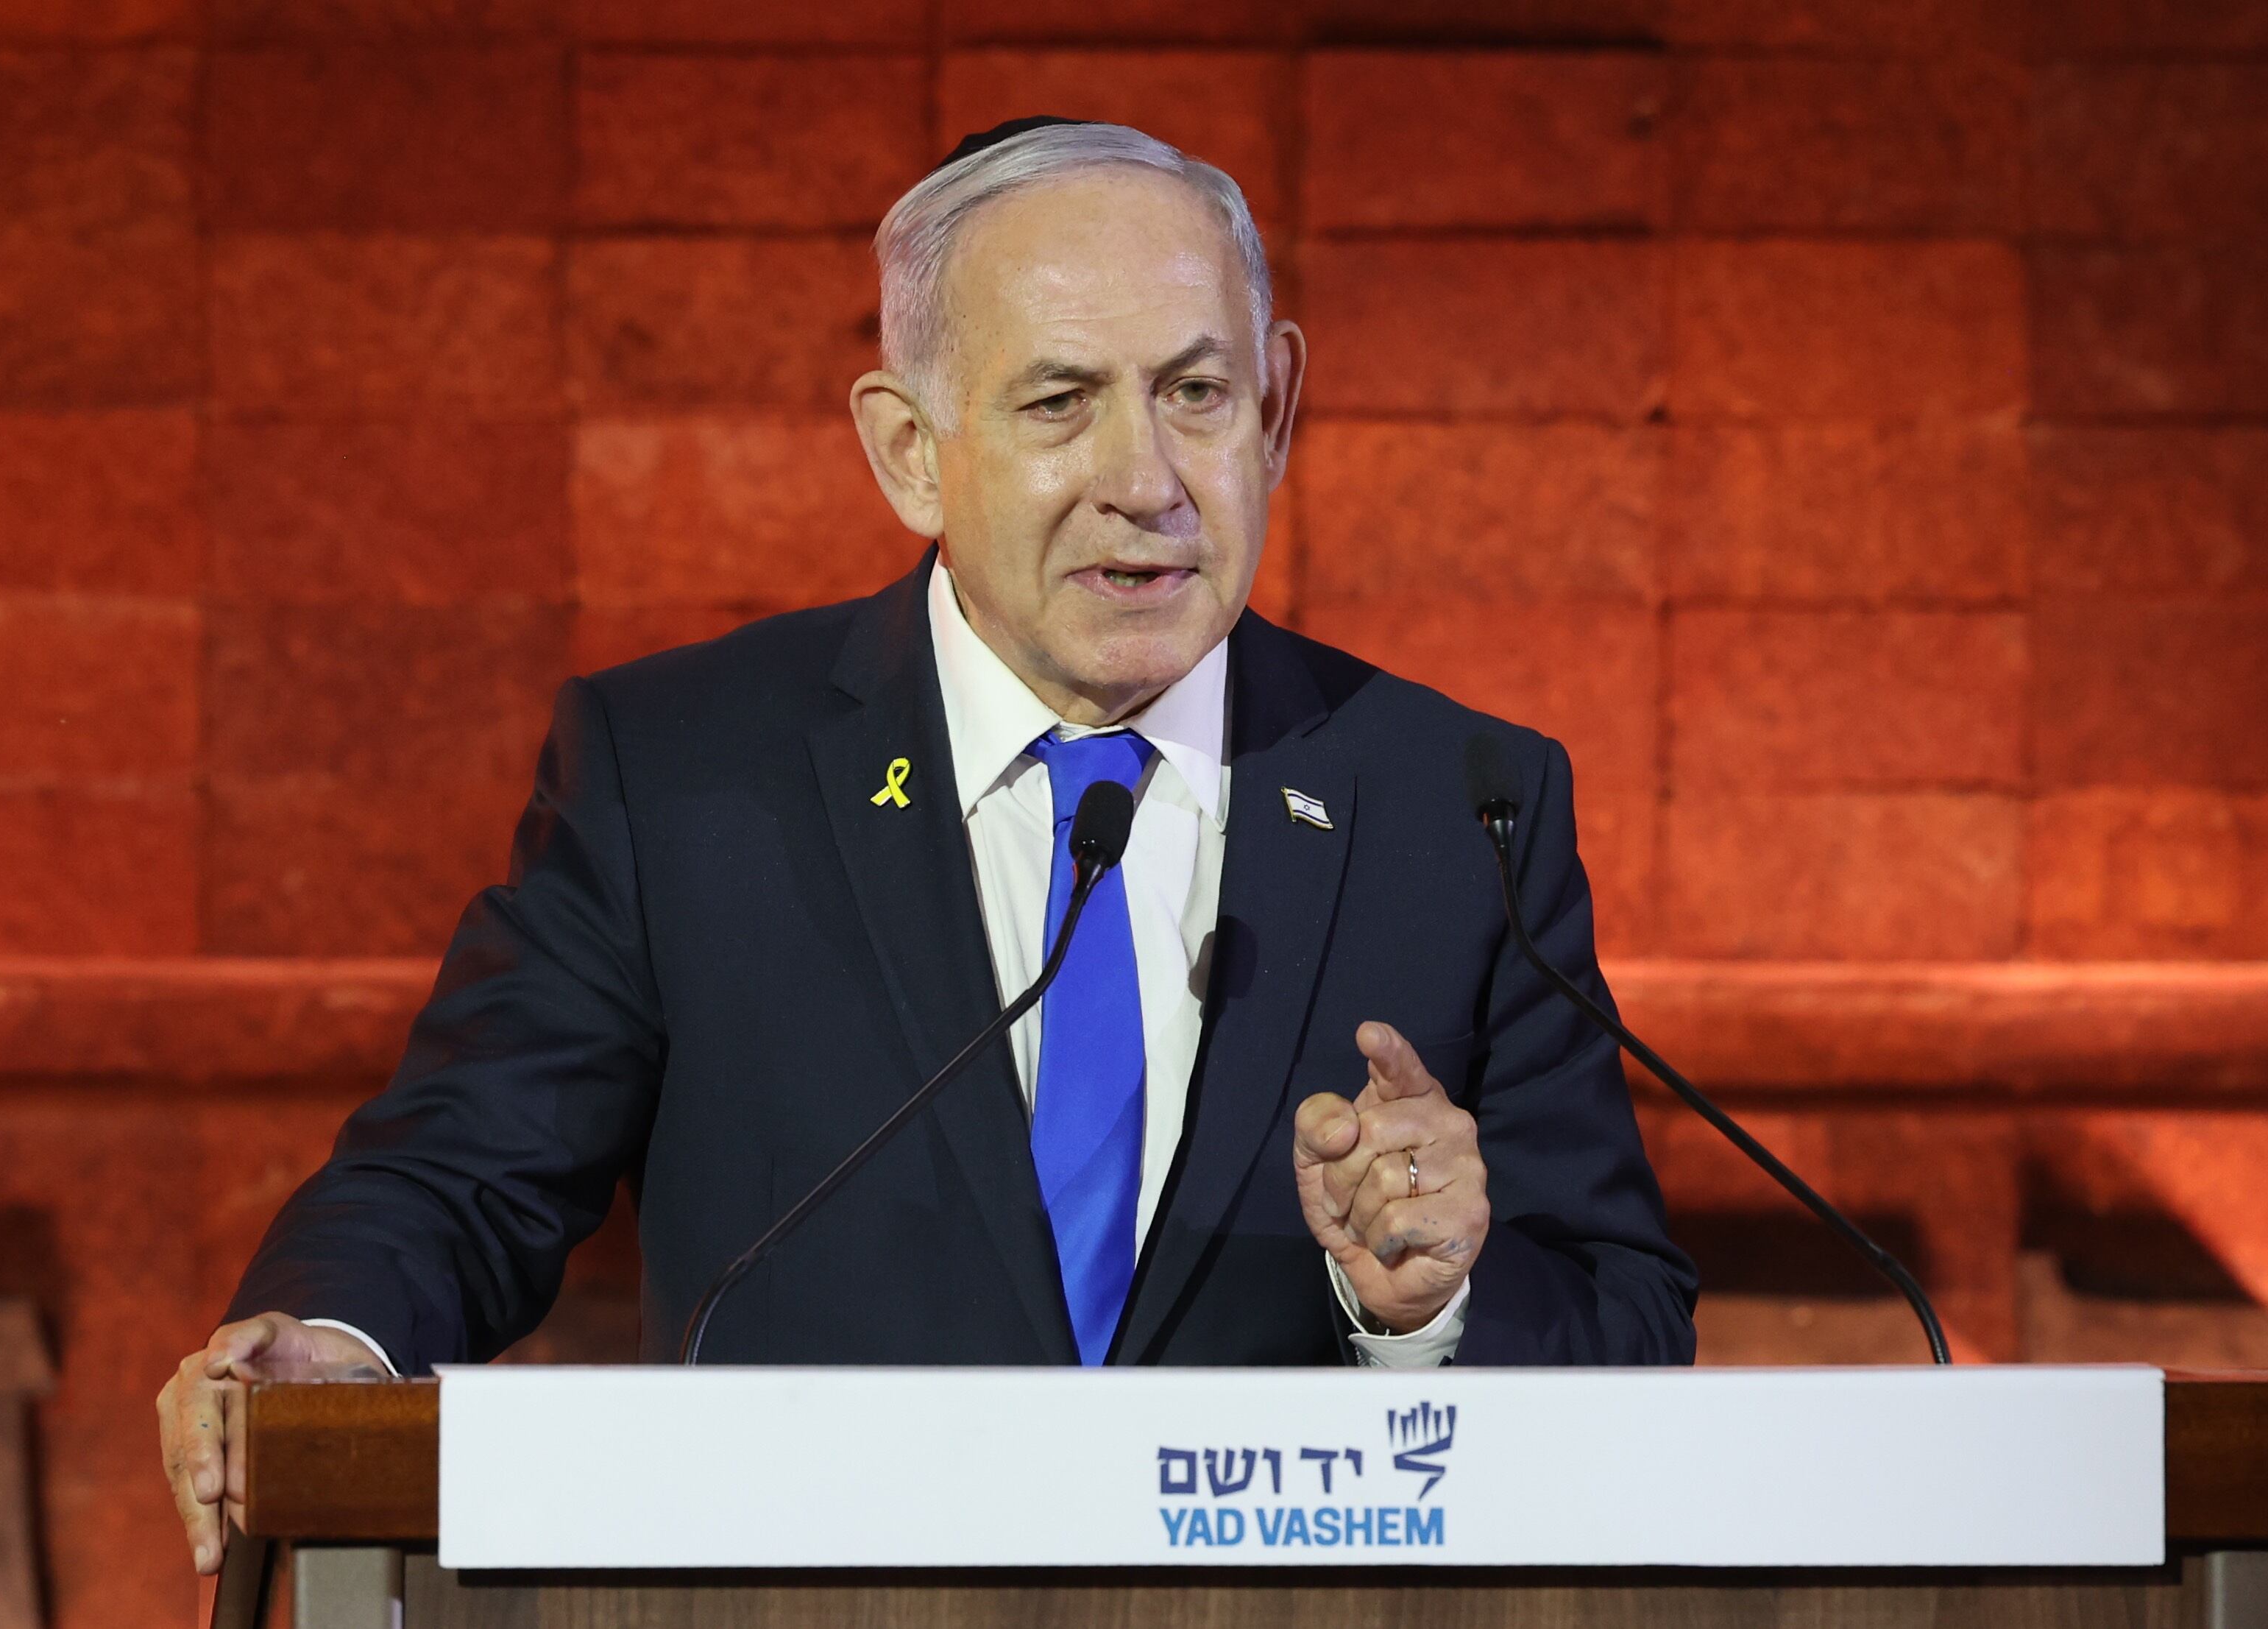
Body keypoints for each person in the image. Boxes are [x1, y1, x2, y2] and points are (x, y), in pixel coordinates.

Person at [157, 117, 1695, 1574]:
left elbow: (1628, 1334)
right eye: (1056, 401)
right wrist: (326, 1352)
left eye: (1196, 393)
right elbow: (462, 1175)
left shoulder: (1458, 802)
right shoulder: (686, 775)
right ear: (908, 450)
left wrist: (1430, 1312)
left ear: (1278, 407)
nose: (1144, 478)